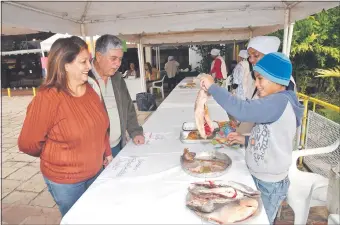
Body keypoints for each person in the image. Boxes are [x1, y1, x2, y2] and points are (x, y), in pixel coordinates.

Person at [200, 52, 303, 224]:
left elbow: (242, 110)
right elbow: (270, 137)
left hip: (269, 184)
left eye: (260, 78)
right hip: (259, 176)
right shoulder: (276, 101)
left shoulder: (279, 102)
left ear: (278, 80)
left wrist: (213, 87)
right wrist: (246, 140)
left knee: (260, 220)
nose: (257, 84)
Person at [18, 36, 112, 217]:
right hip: (66, 182)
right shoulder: (48, 98)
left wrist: (106, 152)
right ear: (65, 65)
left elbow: (101, 127)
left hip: (96, 172)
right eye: (83, 62)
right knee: (77, 220)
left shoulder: (91, 90)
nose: (89, 66)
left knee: (96, 217)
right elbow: (27, 143)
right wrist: (58, 153)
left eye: (89, 61)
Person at [88, 34, 144, 157]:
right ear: (98, 56)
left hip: (118, 146)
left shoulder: (117, 77)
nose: (118, 64)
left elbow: (128, 107)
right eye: (113, 58)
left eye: (120, 59)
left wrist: (135, 131)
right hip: (95, 153)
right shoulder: (84, 79)